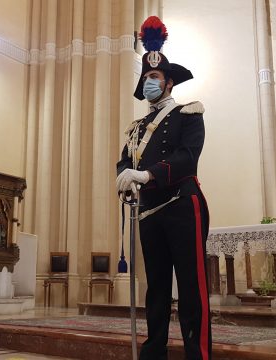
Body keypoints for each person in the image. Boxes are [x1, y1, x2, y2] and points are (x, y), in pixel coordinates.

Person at [116, 16, 211, 359]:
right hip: (149, 212)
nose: (149, 82)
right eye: (146, 78)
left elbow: (187, 158)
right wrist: (124, 177)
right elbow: (125, 160)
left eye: (154, 77)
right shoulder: (136, 127)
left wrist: (148, 175)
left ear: (169, 83)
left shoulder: (189, 114)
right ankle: (153, 351)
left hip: (184, 207)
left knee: (190, 287)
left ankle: (196, 354)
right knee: (155, 287)